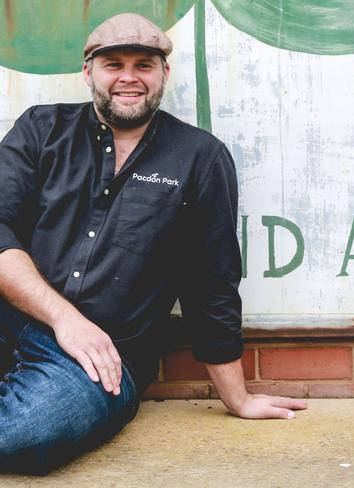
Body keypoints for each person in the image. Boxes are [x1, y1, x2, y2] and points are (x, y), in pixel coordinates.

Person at [0, 13, 306, 473]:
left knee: (34, 428)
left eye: (144, 64)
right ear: (88, 71)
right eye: (113, 64)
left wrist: (236, 398)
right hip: (14, 313)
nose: (128, 77)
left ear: (164, 73)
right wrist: (63, 317)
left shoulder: (200, 156)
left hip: (99, 359)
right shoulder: (42, 129)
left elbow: (212, 283)